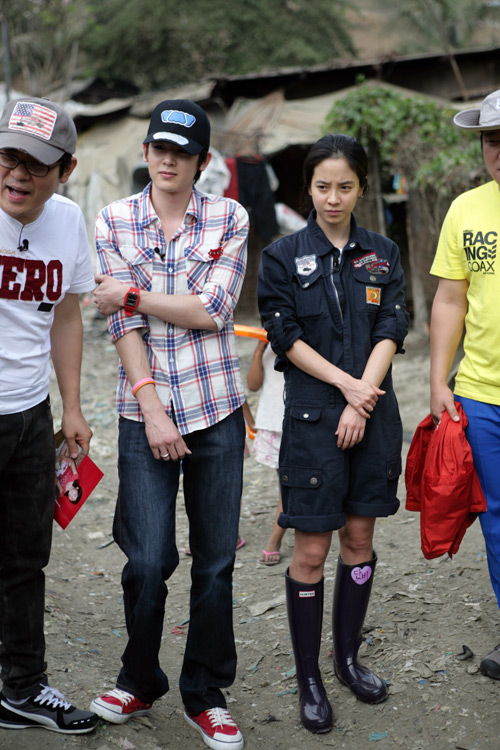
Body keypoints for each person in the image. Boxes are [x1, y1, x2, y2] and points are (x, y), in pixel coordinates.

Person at [90, 99, 248, 750]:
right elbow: (123, 324)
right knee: (147, 559)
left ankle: (204, 691)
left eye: (180, 152)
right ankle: (141, 674)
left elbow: (214, 309)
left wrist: (129, 293)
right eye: (159, 148)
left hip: (216, 407)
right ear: (147, 151)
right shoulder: (114, 219)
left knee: (214, 563)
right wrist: (152, 407)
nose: (166, 160)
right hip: (143, 410)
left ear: (201, 162)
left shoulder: (229, 216)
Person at [258, 133, 408, 733]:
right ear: (309, 188)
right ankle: (310, 679)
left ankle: (346, 659)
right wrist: (348, 390)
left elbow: (393, 325)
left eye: (345, 186)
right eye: (323, 186)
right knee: (312, 548)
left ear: (362, 188)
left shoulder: (383, 253)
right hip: (313, 420)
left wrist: (362, 398)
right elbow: (284, 336)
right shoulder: (281, 254)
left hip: (369, 414)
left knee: (359, 539)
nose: (333, 197)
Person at [0, 97, 98, 734]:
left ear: (64, 170)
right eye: (8, 156)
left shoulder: (67, 222)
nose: (17, 174)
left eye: (34, 163)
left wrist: (71, 405)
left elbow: (65, 313)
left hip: (32, 415)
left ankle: (22, 687)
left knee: (25, 558)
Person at [429, 89, 500, 679]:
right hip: (480, 393)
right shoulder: (466, 210)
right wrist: (437, 380)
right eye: (492, 140)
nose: (499, 151)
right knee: (498, 517)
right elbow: (451, 299)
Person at [246, 339, 286, 565]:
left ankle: (275, 540)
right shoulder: (266, 347)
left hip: (297, 424)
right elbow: (252, 385)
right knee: (284, 484)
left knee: (287, 487)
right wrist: (259, 350)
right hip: (272, 425)